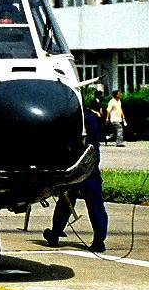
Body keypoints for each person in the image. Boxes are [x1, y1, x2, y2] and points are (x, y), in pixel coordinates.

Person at [45, 101, 108, 252]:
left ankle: (55, 233)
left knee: (67, 199)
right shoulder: (91, 118)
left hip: (73, 166)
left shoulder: (69, 117)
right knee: (95, 202)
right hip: (90, 165)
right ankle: (99, 239)